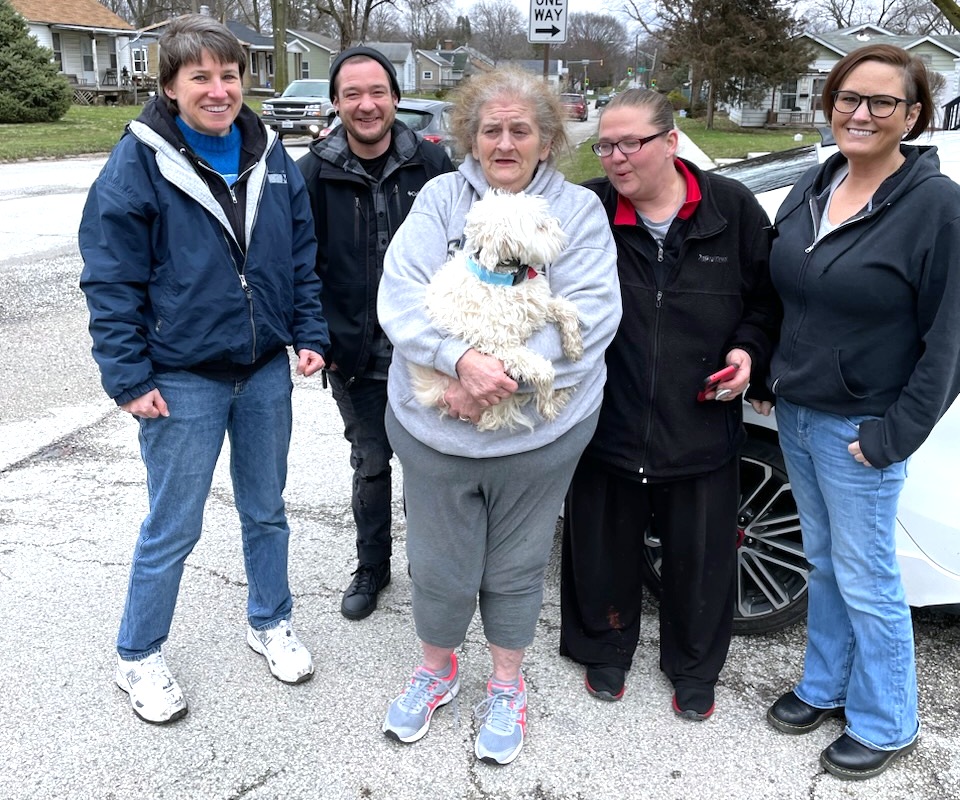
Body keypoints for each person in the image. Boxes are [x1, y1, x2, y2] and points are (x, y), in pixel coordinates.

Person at [78, 14, 329, 724]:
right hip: (182, 377)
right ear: (170, 86)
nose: (219, 91)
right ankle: (138, 655)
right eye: (200, 78)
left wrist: (308, 332)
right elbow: (110, 278)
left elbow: (299, 254)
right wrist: (129, 378)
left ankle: (270, 620)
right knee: (174, 524)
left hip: (264, 370)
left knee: (266, 510)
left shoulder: (270, 155)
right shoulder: (139, 161)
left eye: (229, 75)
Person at [376, 68, 621, 765]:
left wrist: (494, 381)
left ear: (547, 140)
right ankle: (437, 669)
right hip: (435, 429)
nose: (505, 143)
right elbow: (400, 294)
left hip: (539, 435)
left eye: (521, 130)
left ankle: (507, 685)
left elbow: (593, 314)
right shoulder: (441, 199)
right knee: (438, 563)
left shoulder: (576, 211)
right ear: (470, 137)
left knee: (517, 564)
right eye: (491, 130)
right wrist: (456, 362)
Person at [761, 44, 960, 780]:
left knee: (868, 575)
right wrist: (771, 371)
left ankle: (887, 721)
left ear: (913, 115)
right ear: (831, 104)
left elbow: (951, 338)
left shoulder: (937, 207)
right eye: (849, 98)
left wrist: (894, 435)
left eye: (883, 102)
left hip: (860, 428)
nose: (862, 113)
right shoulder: (819, 181)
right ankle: (825, 685)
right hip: (798, 412)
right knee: (824, 562)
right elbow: (789, 292)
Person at [559, 88, 780, 720]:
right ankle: (604, 647)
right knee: (600, 548)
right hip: (608, 419)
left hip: (699, 422)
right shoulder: (589, 211)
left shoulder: (731, 210)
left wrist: (748, 354)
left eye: (631, 143)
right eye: (606, 145)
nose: (616, 158)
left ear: (671, 142)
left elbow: (766, 302)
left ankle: (693, 667)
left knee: (700, 561)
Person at [298, 47, 454, 621]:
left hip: (430, 353)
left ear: (395, 97)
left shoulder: (433, 165)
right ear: (336, 103)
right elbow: (300, 265)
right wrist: (321, 339)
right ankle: (372, 567)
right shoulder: (313, 173)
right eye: (352, 94)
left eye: (377, 92)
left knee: (431, 470)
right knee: (371, 463)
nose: (366, 105)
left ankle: (431, 570)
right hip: (356, 354)